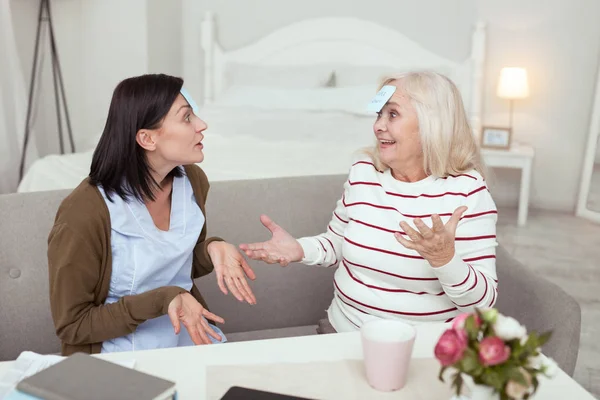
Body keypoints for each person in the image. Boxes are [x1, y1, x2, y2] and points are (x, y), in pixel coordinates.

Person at [240, 71, 498, 333]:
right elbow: (337, 242)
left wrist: (445, 259)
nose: (378, 126)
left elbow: (483, 302)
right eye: (378, 114)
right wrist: (299, 249)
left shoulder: (467, 191)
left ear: (432, 124)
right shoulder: (364, 172)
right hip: (343, 332)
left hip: (424, 347)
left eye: (393, 114)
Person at [47, 74, 256, 355]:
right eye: (187, 117)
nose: (202, 125)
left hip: (185, 335)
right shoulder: (84, 212)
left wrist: (212, 249)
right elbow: (73, 325)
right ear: (147, 138)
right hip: (114, 353)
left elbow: (173, 263)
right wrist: (163, 300)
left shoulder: (192, 181)